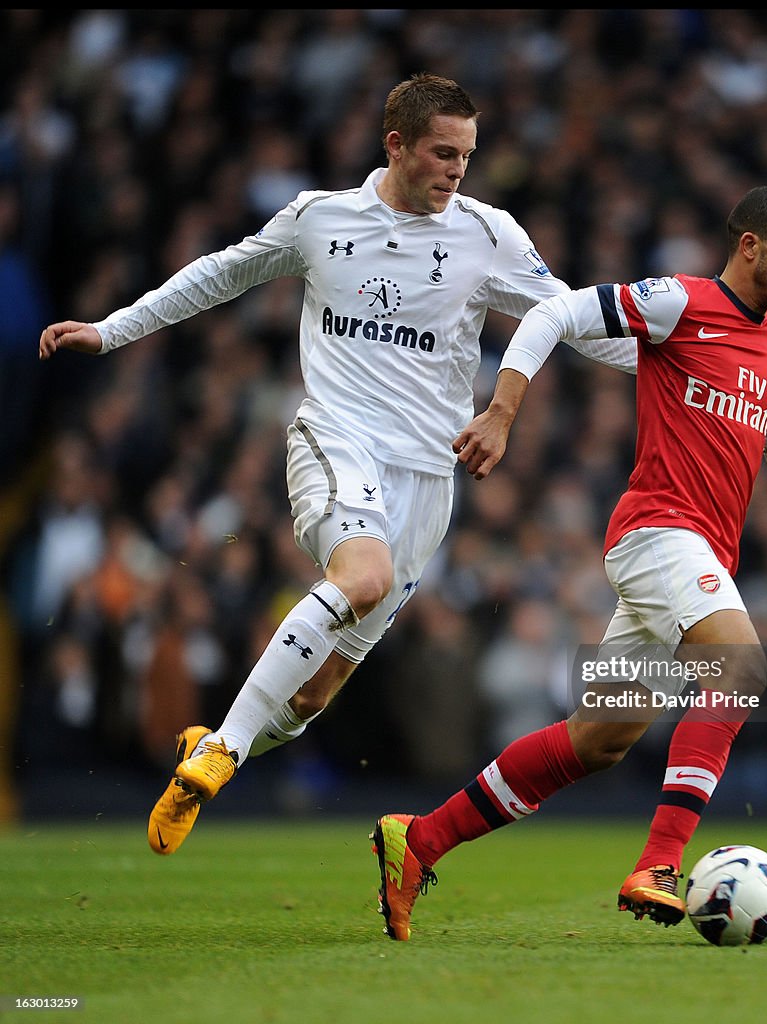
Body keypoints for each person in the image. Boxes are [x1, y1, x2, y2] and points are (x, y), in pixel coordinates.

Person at [37, 72, 638, 856]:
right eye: (442, 153)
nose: (457, 172)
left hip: (429, 479)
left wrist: (690, 361)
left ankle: (224, 740)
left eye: (467, 156)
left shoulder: (487, 234)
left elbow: (569, 317)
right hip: (337, 437)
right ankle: (222, 752)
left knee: (315, 693)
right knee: (362, 578)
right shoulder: (321, 220)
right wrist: (113, 330)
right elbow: (221, 272)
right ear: (395, 144)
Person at [370, 185, 767, 941]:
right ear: (750, 245)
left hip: (691, 554)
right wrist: (503, 407)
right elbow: (553, 312)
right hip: (657, 534)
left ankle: (419, 840)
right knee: (739, 668)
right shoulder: (679, 302)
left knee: (599, 738)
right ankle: (661, 862)